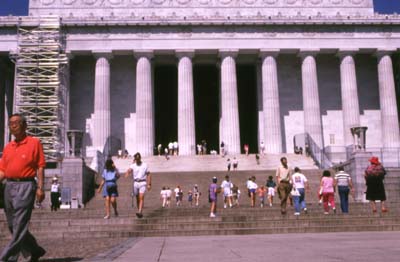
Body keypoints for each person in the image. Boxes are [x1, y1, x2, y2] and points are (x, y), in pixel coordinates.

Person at [0, 113, 46, 262]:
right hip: (9, 186)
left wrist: (40, 188)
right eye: (11, 123)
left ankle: (7, 258)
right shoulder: (8, 147)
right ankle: (35, 250)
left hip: (26, 185)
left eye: (17, 123)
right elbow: (2, 170)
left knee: (20, 223)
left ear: (25, 125)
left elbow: (40, 167)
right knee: (13, 225)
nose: (13, 125)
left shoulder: (34, 143)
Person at [124, 152, 151, 218]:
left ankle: (140, 211)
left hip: (143, 182)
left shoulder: (145, 165)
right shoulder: (133, 165)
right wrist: (127, 173)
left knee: (141, 197)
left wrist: (149, 184)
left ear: (140, 158)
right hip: (135, 183)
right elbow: (129, 170)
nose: (137, 160)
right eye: (136, 159)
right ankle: (139, 210)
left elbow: (149, 174)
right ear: (135, 159)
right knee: (137, 197)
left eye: (138, 158)